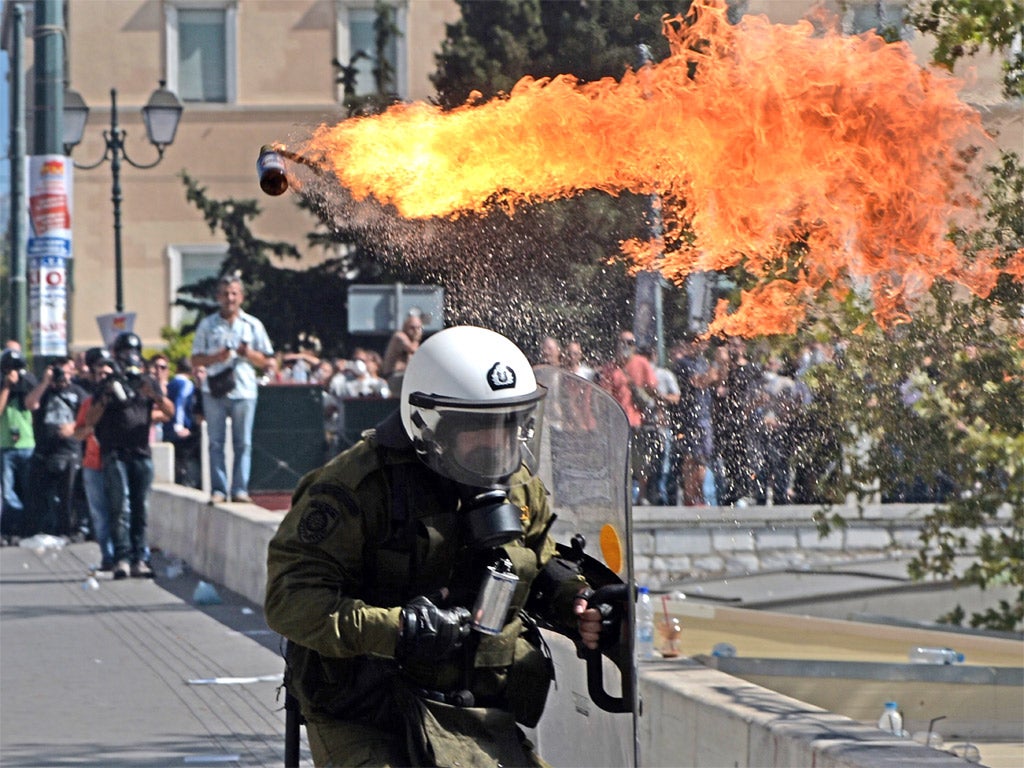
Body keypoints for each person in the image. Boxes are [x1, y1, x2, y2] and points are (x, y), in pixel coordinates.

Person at [265, 326, 613, 768]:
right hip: (369, 710)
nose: (498, 443)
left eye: (510, 423)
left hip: (474, 709)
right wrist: (401, 629)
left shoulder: (520, 486)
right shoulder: (356, 487)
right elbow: (289, 600)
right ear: (429, 425)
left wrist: (576, 601)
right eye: (481, 426)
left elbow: (538, 562)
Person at [86, 332, 174, 579]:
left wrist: (154, 394)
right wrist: (106, 396)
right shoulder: (108, 383)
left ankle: (139, 558)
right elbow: (90, 420)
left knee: (140, 508)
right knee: (120, 506)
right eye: (125, 352)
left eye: (133, 352)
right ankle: (122, 558)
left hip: (140, 453)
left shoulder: (146, 381)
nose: (129, 358)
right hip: (115, 453)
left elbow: (169, 412)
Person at [191, 275, 273, 504]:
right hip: (215, 390)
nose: (230, 298)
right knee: (215, 442)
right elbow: (195, 359)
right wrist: (218, 356)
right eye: (225, 293)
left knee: (243, 442)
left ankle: (239, 489)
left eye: (234, 293)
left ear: (241, 297)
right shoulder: (208, 325)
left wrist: (248, 354)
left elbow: (268, 361)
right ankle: (218, 489)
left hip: (244, 390)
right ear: (218, 297)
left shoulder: (253, 325)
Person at [25, 357, 87, 538]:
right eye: (60, 371)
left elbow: (90, 419)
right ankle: (41, 528)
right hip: (45, 451)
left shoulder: (78, 392)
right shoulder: (44, 391)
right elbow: (30, 404)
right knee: (40, 495)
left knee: (68, 496)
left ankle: (66, 530)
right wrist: (45, 381)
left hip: (70, 452)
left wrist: (73, 427)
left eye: (67, 371)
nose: (63, 375)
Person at [73, 348, 117, 570]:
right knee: (99, 514)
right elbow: (77, 432)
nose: (103, 379)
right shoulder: (88, 403)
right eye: (99, 374)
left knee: (122, 511)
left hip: (116, 464)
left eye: (107, 375)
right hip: (93, 464)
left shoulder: (120, 400)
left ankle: (125, 555)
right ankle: (107, 556)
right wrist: (91, 425)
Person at [0, 348, 38, 541]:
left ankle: (24, 528)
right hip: (5, 445)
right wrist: (6, 386)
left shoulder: (28, 381)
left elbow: (34, 404)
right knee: (7, 492)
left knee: (28, 489)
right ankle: (10, 527)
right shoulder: (2, 384)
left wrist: (21, 382)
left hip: (26, 444)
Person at [165, 357, 201, 488]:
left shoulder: (171, 383)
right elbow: (180, 403)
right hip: (182, 430)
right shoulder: (186, 384)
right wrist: (179, 425)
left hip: (169, 429)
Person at [381, 310, 423, 393]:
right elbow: (414, 350)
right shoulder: (399, 336)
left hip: (404, 376)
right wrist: (416, 339)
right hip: (393, 377)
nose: (415, 331)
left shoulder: (413, 341)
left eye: (418, 328)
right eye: (412, 328)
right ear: (405, 327)